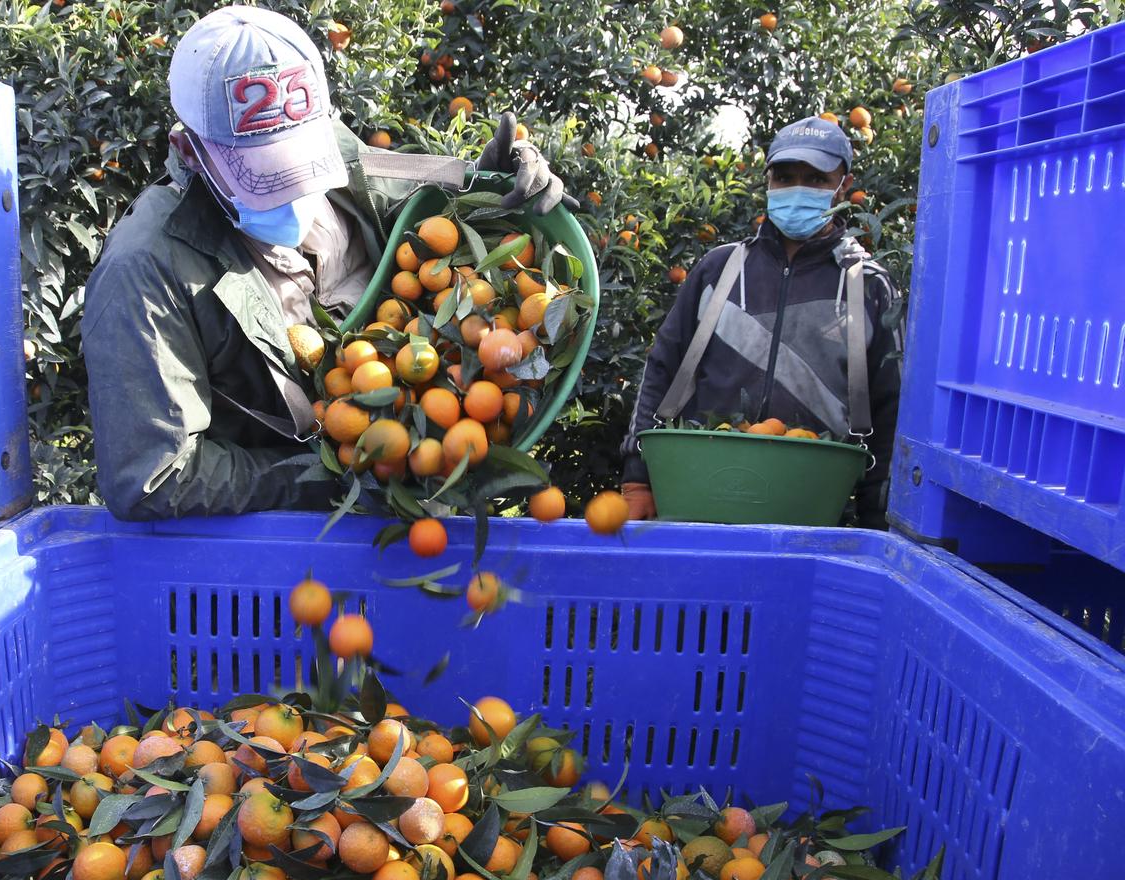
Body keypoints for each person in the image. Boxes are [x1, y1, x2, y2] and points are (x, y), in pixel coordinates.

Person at [82, 6, 572, 520]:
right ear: (190, 151)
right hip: (296, 552)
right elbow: (155, 478)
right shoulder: (146, 270)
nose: (296, 197)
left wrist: (487, 185)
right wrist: (332, 471)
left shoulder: (341, 155)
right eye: (267, 178)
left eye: (304, 166)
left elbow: (411, 202)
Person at [619, 117, 900, 528]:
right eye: (785, 177)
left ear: (844, 184)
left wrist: (878, 516)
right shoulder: (721, 268)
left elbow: (889, 408)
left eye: (815, 178)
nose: (797, 188)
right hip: (700, 498)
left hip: (811, 511)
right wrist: (637, 479)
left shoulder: (868, 286)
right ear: (767, 181)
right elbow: (663, 366)